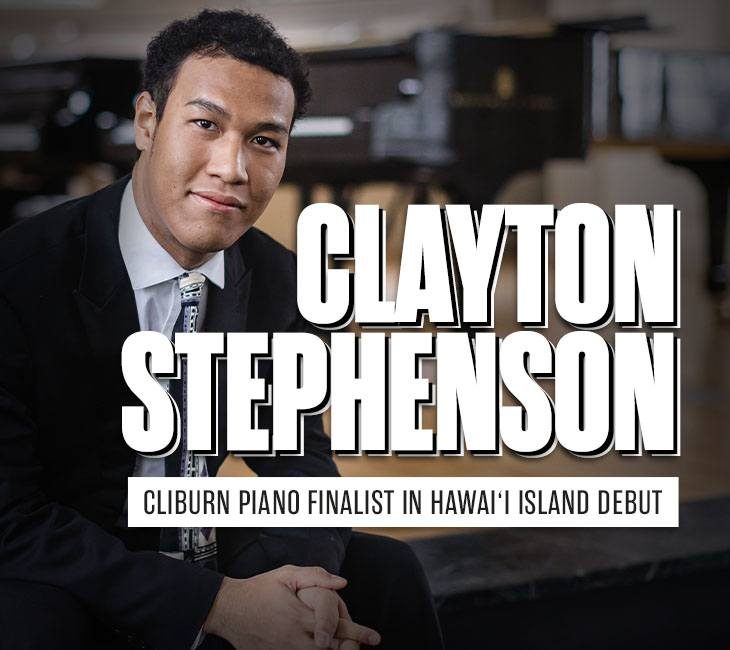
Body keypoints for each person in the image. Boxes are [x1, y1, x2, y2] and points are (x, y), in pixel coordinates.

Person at [0, 9, 444, 650]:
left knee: (390, 574)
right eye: (205, 125)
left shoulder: (286, 285)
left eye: (265, 140)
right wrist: (216, 605)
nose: (232, 168)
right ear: (148, 121)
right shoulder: (18, 278)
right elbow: (11, 516)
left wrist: (310, 585)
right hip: (61, 556)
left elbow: (301, 464)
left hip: (188, 538)